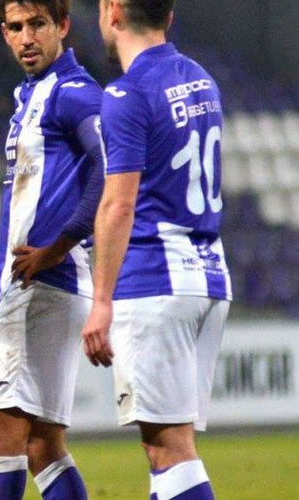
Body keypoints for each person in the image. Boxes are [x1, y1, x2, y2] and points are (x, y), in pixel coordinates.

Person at [82, 1, 231, 499]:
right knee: (167, 448)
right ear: (168, 16)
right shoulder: (202, 79)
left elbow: (118, 205)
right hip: (208, 275)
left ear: (113, 11)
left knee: (168, 449)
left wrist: (101, 301)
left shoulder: (127, 93)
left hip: (155, 281)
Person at [0, 1, 105, 499]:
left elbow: (109, 166)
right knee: (42, 447)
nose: (26, 37)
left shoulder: (73, 93)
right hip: (41, 283)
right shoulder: (30, 93)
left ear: (62, 27)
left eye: (38, 25)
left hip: (45, 284)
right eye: (15, 27)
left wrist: (59, 245)